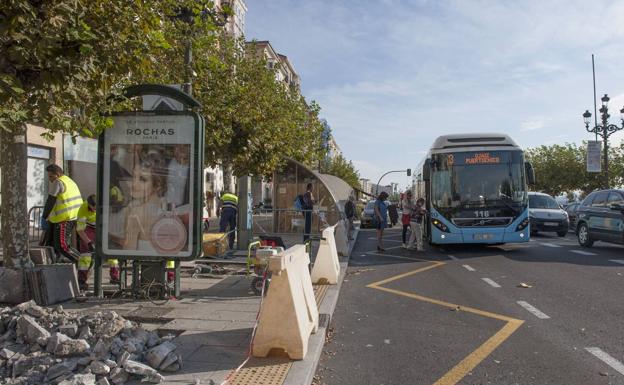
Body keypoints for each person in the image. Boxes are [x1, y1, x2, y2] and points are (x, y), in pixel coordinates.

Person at [75, 195, 120, 290]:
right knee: (85, 255)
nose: (95, 210)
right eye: (93, 208)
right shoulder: (83, 209)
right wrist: (88, 243)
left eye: (97, 208)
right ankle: (81, 280)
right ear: (89, 205)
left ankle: (115, 277)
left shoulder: (107, 207)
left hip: (104, 228)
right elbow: (80, 230)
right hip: (89, 228)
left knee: (111, 253)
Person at [41, 164, 82, 263]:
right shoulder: (69, 181)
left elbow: (51, 200)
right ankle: (55, 263)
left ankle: (83, 262)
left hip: (64, 219)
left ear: (58, 174)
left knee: (61, 246)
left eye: (51, 176)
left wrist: (44, 217)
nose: (50, 179)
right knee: (52, 244)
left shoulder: (58, 182)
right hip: (70, 217)